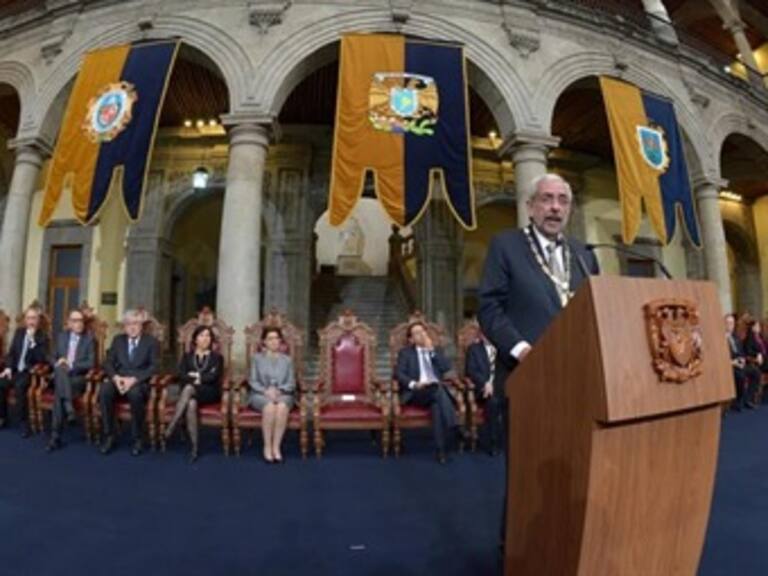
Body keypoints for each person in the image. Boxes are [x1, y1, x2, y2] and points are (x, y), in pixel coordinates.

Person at [477, 173, 598, 548]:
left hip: (577, 382)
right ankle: (516, 554)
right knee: (527, 476)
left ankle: (565, 549)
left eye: (562, 200)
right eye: (546, 199)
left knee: (574, 471)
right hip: (526, 379)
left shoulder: (584, 254)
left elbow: (597, 312)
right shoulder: (506, 246)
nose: (555, 207)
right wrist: (522, 349)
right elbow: (489, 307)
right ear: (530, 206)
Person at [395, 321, 467, 464]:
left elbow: (446, 368)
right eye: (417, 333)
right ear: (411, 339)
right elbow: (399, 374)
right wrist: (415, 384)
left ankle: (441, 452)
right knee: (438, 390)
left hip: (435, 392)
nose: (422, 335)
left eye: (423, 331)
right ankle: (456, 426)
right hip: (417, 392)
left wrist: (431, 351)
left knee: (436, 406)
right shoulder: (405, 353)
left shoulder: (436, 350)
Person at [99, 309, 158, 456]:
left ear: (141, 325)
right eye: (129, 324)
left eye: (136, 323)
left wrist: (135, 379)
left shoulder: (151, 342)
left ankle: (138, 438)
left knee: (135, 393)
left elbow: (155, 366)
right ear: (124, 326)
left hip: (138, 382)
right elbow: (108, 363)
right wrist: (115, 378)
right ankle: (109, 435)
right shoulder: (118, 340)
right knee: (105, 390)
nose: (132, 327)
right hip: (119, 380)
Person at [164, 325, 223, 463]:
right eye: (202, 335)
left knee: (189, 388)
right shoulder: (187, 356)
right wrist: (201, 377)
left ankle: (172, 424)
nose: (205, 339)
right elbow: (181, 375)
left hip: (210, 392)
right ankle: (194, 448)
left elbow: (214, 377)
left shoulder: (217, 357)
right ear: (195, 339)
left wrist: (196, 377)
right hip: (192, 394)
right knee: (191, 403)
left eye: (208, 336)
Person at [46, 308, 96, 452]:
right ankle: (68, 407)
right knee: (61, 369)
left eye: (81, 320)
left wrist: (71, 365)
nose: (79, 324)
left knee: (58, 394)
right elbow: (50, 357)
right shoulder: (61, 336)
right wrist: (59, 362)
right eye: (75, 321)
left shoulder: (89, 339)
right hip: (61, 376)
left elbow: (91, 363)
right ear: (68, 323)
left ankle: (55, 437)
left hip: (78, 378)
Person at [0, 305, 51, 437]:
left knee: (20, 386)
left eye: (34, 318)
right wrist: (8, 368)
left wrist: (33, 341)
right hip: (16, 370)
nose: (31, 321)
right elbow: (11, 353)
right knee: (1, 383)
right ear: (25, 320)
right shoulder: (19, 332)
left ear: (38, 320)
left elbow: (42, 358)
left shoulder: (43, 336)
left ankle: (24, 423)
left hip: (30, 372)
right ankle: (2, 417)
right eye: (28, 318)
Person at [248, 327, 296, 463]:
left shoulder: (287, 360)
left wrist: (279, 390)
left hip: (283, 394)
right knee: (269, 408)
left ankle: (276, 447)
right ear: (264, 341)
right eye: (270, 338)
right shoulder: (257, 359)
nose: (274, 341)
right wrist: (266, 391)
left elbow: (291, 382)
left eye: (277, 338)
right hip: (260, 394)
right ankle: (267, 446)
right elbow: (253, 380)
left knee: (281, 407)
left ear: (280, 341)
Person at [464, 330, 501, 455]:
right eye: (484, 333)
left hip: (502, 386)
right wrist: (485, 384)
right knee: (493, 402)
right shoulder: (473, 349)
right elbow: (471, 371)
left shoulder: (503, 348)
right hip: (483, 389)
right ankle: (493, 443)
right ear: (480, 335)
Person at [726, 313, 759, 411]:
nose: (730, 326)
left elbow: (741, 352)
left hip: (739, 363)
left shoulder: (735, 337)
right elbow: (722, 359)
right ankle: (737, 401)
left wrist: (743, 359)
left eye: (732, 323)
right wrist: (733, 362)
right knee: (740, 376)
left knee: (755, 372)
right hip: (730, 366)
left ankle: (748, 399)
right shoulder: (721, 339)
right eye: (728, 323)